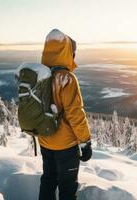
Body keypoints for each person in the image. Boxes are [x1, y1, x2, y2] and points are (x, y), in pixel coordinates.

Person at [38, 29, 92, 200]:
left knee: (48, 180)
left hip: (45, 140)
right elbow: (75, 114)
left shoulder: (40, 75)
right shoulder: (66, 79)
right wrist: (85, 142)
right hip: (65, 146)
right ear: (67, 53)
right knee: (67, 188)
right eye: (72, 53)